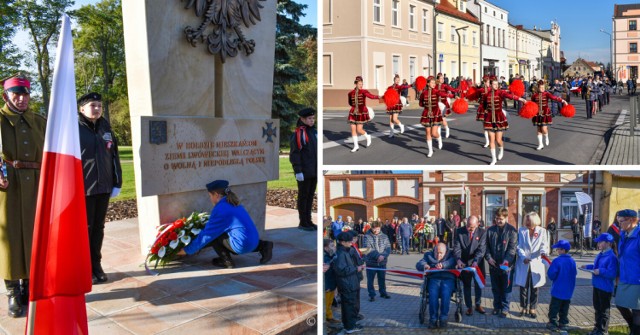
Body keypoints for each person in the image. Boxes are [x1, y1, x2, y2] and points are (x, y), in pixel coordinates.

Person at [0, 74, 46, 318]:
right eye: (16, 94)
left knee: (33, 235)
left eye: (25, 94)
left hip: (37, 185)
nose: (21, 99)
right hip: (7, 187)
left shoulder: (40, 122)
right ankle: (12, 291)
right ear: (6, 95)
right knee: (9, 238)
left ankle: (30, 284)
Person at [77, 92, 123, 284]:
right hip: (83, 188)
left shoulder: (106, 127)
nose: (96, 109)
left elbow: (114, 156)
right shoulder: (74, 129)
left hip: (103, 187)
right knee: (84, 230)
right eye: (92, 105)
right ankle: (84, 268)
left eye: (99, 106)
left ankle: (96, 265)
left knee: (98, 228)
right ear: (81, 109)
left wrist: (117, 182)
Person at [178, 180, 274, 268]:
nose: (210, 199)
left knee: (214, 236)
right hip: (254, 241)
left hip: (242, 246)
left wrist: (186, 250)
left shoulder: (221, 209)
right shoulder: (233, 202)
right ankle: (264, 245)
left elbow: (207, 235)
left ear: (216, 194)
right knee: (223, 233)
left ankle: (226, 261)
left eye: (210, 196)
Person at [481, 79, 527, 165]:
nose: (496, 86)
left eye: (497, 84)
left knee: (498, 140)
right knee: (492, 140)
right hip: (489, 119)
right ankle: (493, 159)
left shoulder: (501, 92)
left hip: (499, 118)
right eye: (494, 84)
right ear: (491, 85)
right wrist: (485, 111)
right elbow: (483, 105)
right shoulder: (486, 94)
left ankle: (501, 149)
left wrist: (521, 99)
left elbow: (511, 96)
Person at [580, 233, 618, 335]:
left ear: (608, 243)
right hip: (597, 285)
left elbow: (612, 273)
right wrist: (587, 266)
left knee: (604, 310)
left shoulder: (612, 257)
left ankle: (603, 331)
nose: (598, 244)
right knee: (597, 309)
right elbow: (596, 266)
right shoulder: (601, 254)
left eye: (600, 242)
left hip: (605, 288)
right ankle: (597, 328)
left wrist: (600, 271)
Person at [485, 207, 517, 318]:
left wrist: (506, 261)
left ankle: (505, 308)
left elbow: (512, 249)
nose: (499, 221)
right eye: (497, 218)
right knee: (495, 288)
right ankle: (496, 307)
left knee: (506, 288)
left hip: (507, 266)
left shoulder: (512, 231)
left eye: (501, 219)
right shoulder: (490, 230)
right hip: (493, 264)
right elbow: (486, 247)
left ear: (506, 218)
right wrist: (488, 258)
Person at [515, 212, 549, 319]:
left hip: (536, 262)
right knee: (523, 287)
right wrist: (523, 257)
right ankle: (523, 307)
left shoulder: (542, 231)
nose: (528, 222)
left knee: (535, 287)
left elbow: (544, 245)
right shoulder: (521, 230)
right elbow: (519, 246)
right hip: (524, 262)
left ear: (535, 220)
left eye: (530, 220)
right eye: (527, 220)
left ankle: (532, 308)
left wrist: (543, 253)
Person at [416, 242, 457, 329]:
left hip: (448, 278)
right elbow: (419, 264)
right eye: (436, 252)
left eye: (441, 253)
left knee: (446, 295)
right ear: (434, 250)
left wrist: (443, 265)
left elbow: (453, 261)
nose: (438, 255)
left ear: (445, 252)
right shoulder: (428, 255)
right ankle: (433, 319)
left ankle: (443, 318)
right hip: (434, 279)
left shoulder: (451, 254)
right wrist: (425, 265)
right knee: (433, 296)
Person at [289, 108, 317, 231]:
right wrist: (298, 170)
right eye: (310, 118)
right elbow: (295, 154)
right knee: (303, 196)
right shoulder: (298, 134)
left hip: (313, 170)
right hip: (304, 171)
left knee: (310, 196)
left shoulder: (313, 132)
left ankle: (309, 220)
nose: (312, 120)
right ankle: (303, 221)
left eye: (313, 118)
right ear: (302, 119)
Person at [453, 215, 487, 315]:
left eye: (471, 227)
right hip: (464, 263)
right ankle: (468, 306)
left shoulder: (482, 232)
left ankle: (478, 304)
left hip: (477, 263)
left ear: (477, 224)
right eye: (467, 225)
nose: (468, 228)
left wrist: (476, 261)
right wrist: (458, 260)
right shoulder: (459, 231)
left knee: (478, 285)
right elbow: (456, 248)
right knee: (466, 285)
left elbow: (481, 249)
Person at [614, 209, 640, 335]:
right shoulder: (623, 235)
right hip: (624, 277)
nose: (619, 224)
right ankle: (633, 328)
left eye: (621, 221)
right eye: (618, 221)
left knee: (637, 310)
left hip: (637, 279)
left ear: (631, 220)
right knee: (620, 304)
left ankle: (635, 332)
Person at [334, 232, 365, 334]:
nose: (352, 242)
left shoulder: (348, 251)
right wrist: (356, 268)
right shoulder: (340, 253)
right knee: (348, 306)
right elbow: (341, 270)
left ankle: (352, 323)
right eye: (349, 241)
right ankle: (349, 327)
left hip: (352, 282)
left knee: (353, 305)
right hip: (347, 284)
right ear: (342, 242)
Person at [419, 76, 454, 157]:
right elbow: (420, 104)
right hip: (427, 113)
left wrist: (453, 96)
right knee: (428, 132)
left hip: (436, 113)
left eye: (434, 83)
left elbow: (444, 94)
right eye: (432, 82)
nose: (434, 84)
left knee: (434, 133)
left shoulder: (436, 91)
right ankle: (430, 151)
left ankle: (439, 138)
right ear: (428, 84)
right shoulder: (423, 93)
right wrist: (426, 105)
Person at [547, 240, 577, 332]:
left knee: (554, 307)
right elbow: (575, 273)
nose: (557, 251)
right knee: (565, 307)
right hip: (568, 290)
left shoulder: (557, 261)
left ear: (563, 250)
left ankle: (553, 322)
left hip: (558, 289)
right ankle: (563, 323)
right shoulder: (572, 261)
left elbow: (551, 274)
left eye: (558, 249)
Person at [529, 80, 567, 150]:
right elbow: (532, 104)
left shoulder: (547, 94)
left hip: (545, 113)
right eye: (541, 87)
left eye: (543, 87)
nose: (542, 89)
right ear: (538, 88)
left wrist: (562, 100)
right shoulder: (534, 95)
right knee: (538, 129)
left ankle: (546, 137)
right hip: (537, 113)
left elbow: (554, 97)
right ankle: (540, 144)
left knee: (543, 128)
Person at [347, 76, 379, 152]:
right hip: (353, 112)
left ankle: (367, 136)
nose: (361, 85)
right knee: (353, 129)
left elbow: (371, 96)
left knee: (359, 129)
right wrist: (355, 108)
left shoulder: (364, 91)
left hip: (361, 112)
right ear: (355, 84)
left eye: (362, 84)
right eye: (359, 84)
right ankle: (356, 146)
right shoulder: (350, 93)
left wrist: (379, 97)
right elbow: (350, 103)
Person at [364, 221, 391, 302]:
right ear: (371, 228)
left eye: (378, 229)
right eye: (375, 229)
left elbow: (388, 248)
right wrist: (378, 256)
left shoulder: (384, 236)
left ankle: (383, 292)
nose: (376, 230)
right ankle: (372, 295)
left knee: (382, 278)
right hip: (371, 262)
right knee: (370, 279)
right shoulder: (367, 236)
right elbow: (367, 249)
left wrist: (383, 255)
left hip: (382, 262)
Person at [436, 73, 460, 139]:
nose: (442, 79)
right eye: (441, 78)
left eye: (443, 78)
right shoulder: (435, 86)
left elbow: (451, 89)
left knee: (442, 118)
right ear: (438, 79)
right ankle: (439, 136)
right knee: (437, 120)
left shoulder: (445, 86)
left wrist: (456, 92)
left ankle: (447, 129)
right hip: (436, 103)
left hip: (443, 103)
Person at [323, 239, 340, 325]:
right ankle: (327, 319)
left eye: (334, 245)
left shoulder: (332, 255)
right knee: (326, 303)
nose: (334, 247)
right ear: (326, 248)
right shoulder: (325, 258)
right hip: (328, 285)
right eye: (332, 246)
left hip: (332, 283)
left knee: (329, 303)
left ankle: (329, 317)